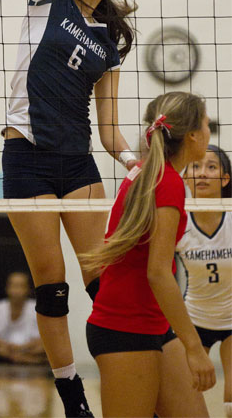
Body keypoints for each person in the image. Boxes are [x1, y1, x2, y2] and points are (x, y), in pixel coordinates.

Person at [1, 0, 137, 418]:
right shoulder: (46, 0)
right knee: (52, 287)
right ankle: (73, 399)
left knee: (102, 282)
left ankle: (128, 374)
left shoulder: (109, 44)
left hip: (78, 165)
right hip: (27, 159)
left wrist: (135, 162)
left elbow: (108, 131)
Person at [82, 91, 216, 418]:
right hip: (124, 328)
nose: (209, 130)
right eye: (206, 123)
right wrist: (196, 348)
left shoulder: (146, 171)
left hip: (154, 324)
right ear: (194, 135)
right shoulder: (166, 181)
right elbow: (157, 273)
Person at [176, 145, 232, 418]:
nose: (202, 173)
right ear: (185, 177)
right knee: (184, 398)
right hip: (194, 320)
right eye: (196, 166)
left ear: (225, 178)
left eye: (211, 167)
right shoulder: (177, 222)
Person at [0, 272, 47, 364]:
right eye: (13, 286)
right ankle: (28, 360)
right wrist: (7, 345)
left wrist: (24, 347)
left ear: (28, 289)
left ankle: (20, 358)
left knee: (43, 347)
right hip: (7, 349)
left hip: (29, 348)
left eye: (21, 286)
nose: (17, 290)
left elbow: (45, 336)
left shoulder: (36, 307)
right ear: (7, 288)